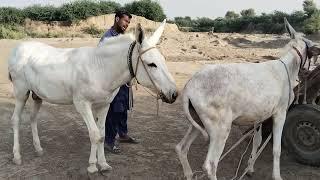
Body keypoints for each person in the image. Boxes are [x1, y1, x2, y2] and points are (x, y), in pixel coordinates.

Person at [98, 10, 139, 154]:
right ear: (117, 19)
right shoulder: (107, 38)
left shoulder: (124, 37)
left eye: (128, 22)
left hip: (123, 81)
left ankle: (122, 134)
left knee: (123, 110)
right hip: (113, 82)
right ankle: (109, 141)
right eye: (125, 21)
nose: (127, 24)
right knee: (114, 111)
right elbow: (101, 61)